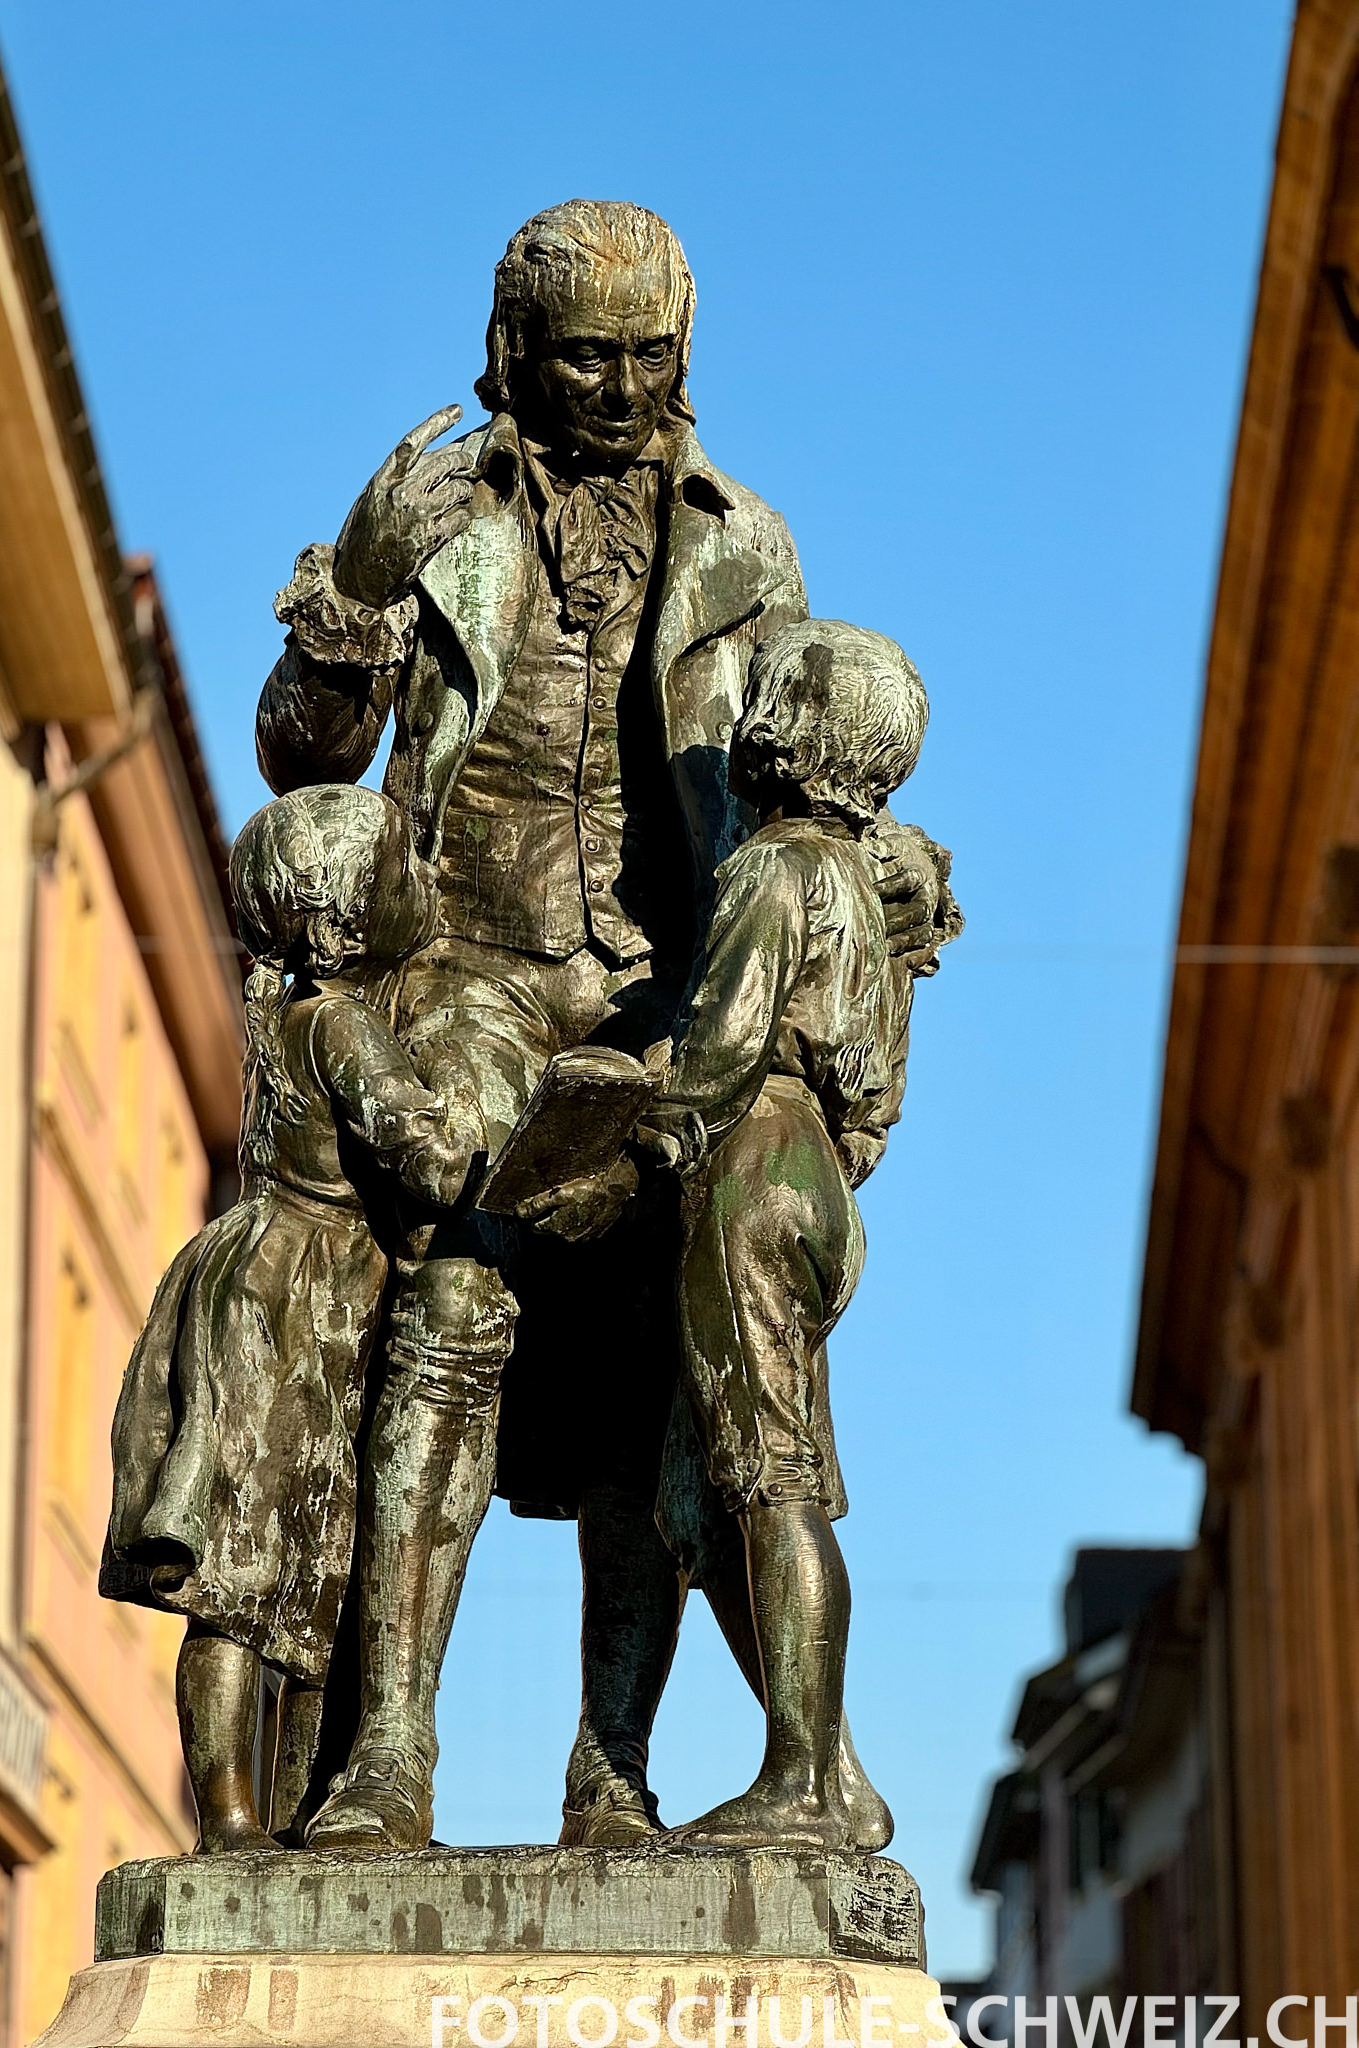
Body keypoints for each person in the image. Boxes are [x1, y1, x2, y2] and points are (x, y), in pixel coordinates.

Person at [258, 199, 948, 1851]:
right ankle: (386, 1758)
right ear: (511, 353)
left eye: (655, 356)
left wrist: (884, 890)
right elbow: (301, 753)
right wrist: (355, 588)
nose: (626, 387)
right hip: (475, 973)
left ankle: (613, 1775)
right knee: (461, 1304)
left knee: (657, 1367)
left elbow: (810, 764)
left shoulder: (746, 541)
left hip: (664, 983)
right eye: (588, 357)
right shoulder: (432, 517)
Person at [99, 785, 485, 1854]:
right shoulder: (344, 1021)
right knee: (258, 1569)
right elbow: (426, 1150)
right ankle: (234, 1818)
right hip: (294, 1297)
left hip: (250, 1275)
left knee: (268, 1570)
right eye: (404, 871)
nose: (423, 884)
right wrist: (485, 1133)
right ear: (341, 924)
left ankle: (247, 1815)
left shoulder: (277, 1018)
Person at [642, 619, 958, 1850]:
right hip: (818, 1174)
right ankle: (835, 1764)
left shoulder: (775, 869)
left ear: (793, 728)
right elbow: (875, 1101)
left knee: (768, 1481)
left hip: (751, 1167)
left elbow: (716, 1053)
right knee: (708, 1496)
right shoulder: (874, 906)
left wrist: (622, 1109)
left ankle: (803, 1782)